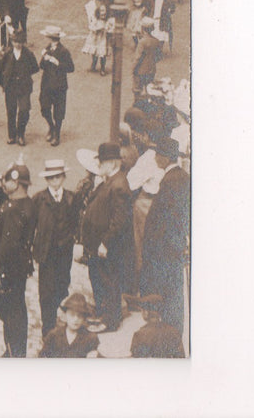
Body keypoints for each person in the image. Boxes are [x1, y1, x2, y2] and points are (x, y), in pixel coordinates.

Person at [0, 160, 37, 357]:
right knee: (13, 313)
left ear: (17, 183)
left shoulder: (15, 208)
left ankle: (15, 354)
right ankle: (12, 351)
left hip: (8, 269)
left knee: (11, 314)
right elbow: (3, 204)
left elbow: (9, 242)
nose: (5, 184)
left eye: (7, 180)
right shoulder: (20, 203)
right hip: (15, 268)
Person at [80, 142, 134, 333]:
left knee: (108, 281)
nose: (99, 166)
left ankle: (110, 320)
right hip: (99, 245)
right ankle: (103, 314)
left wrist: (105, 242)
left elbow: (120, 220)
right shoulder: (110, 181)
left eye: (102, 163)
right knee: (100, 279)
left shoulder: (118, 185)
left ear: (111, 164)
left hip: (107, 247)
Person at [139, 137, 190, 331]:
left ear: (164, 158)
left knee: (168, 290)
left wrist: (155, 247)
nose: (155, 158)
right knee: (174, 289)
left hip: (165, 249)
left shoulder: (169, 181)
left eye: (157, 155)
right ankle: (172, 326)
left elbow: (165, 220)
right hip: (174, 246)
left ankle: (170, 329)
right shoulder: (182, 176)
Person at [32, 159, 84, 337]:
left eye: (58, 177)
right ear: (47, 180)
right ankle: (47, 331)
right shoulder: (39, 199)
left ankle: (62, 327)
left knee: (62, 287)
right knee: (46, 292)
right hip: (46, 253)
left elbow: (77, 223)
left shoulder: (71, 198)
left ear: (63, 177)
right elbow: (31, 225)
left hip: (64, 253)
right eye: (51, 178)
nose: (55, 181)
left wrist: (75, 241)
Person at [38, 26, 75, 147]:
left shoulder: (63, 51)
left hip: (59, 85)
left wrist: (56, 61)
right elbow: (41, 66)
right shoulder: (47, 48)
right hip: (47, 84)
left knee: (58, 112)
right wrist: (44, 58)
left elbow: (70, 68)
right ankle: (51, 127)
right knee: (44, 108)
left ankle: (57, 135)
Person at [2, 30, 39, 146]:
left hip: (24, 87)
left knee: (24, 110)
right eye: (15, 41)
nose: (18, 44)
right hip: (11, 87)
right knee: (11, 111)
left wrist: (24, 75)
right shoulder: (7, 54)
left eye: (20, 42)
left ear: (23, 42)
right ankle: (12, 135)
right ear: (12, 42)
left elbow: (35, 68)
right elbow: (1, 68)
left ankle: (21, 134)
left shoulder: (28, 54)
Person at [39, 293, 100, 358]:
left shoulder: (91, 339)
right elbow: (42, 357)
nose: (76, 319)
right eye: (72, 314)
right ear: (65, 315)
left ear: (84, 318)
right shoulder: (54, 336)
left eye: (80, 316)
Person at [127, 293, 185, 358]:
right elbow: (181, 357)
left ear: (146, 312)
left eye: (142, 309)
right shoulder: (174, 332)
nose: (142, 312)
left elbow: (135, 363)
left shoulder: (139, 335)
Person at [82, 1, 112, 75]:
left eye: (104, 11)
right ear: (98, 12)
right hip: (95, 39)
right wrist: (97, 29)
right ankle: (93, 65)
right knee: (94, 53)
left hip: (103, 40)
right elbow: (91, 27)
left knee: (102, 54)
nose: (103, 13)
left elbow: (111, 28)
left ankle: (102, 68)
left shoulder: (108, 21)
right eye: (101, 11)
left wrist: (107, 30)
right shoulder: (96, 20)